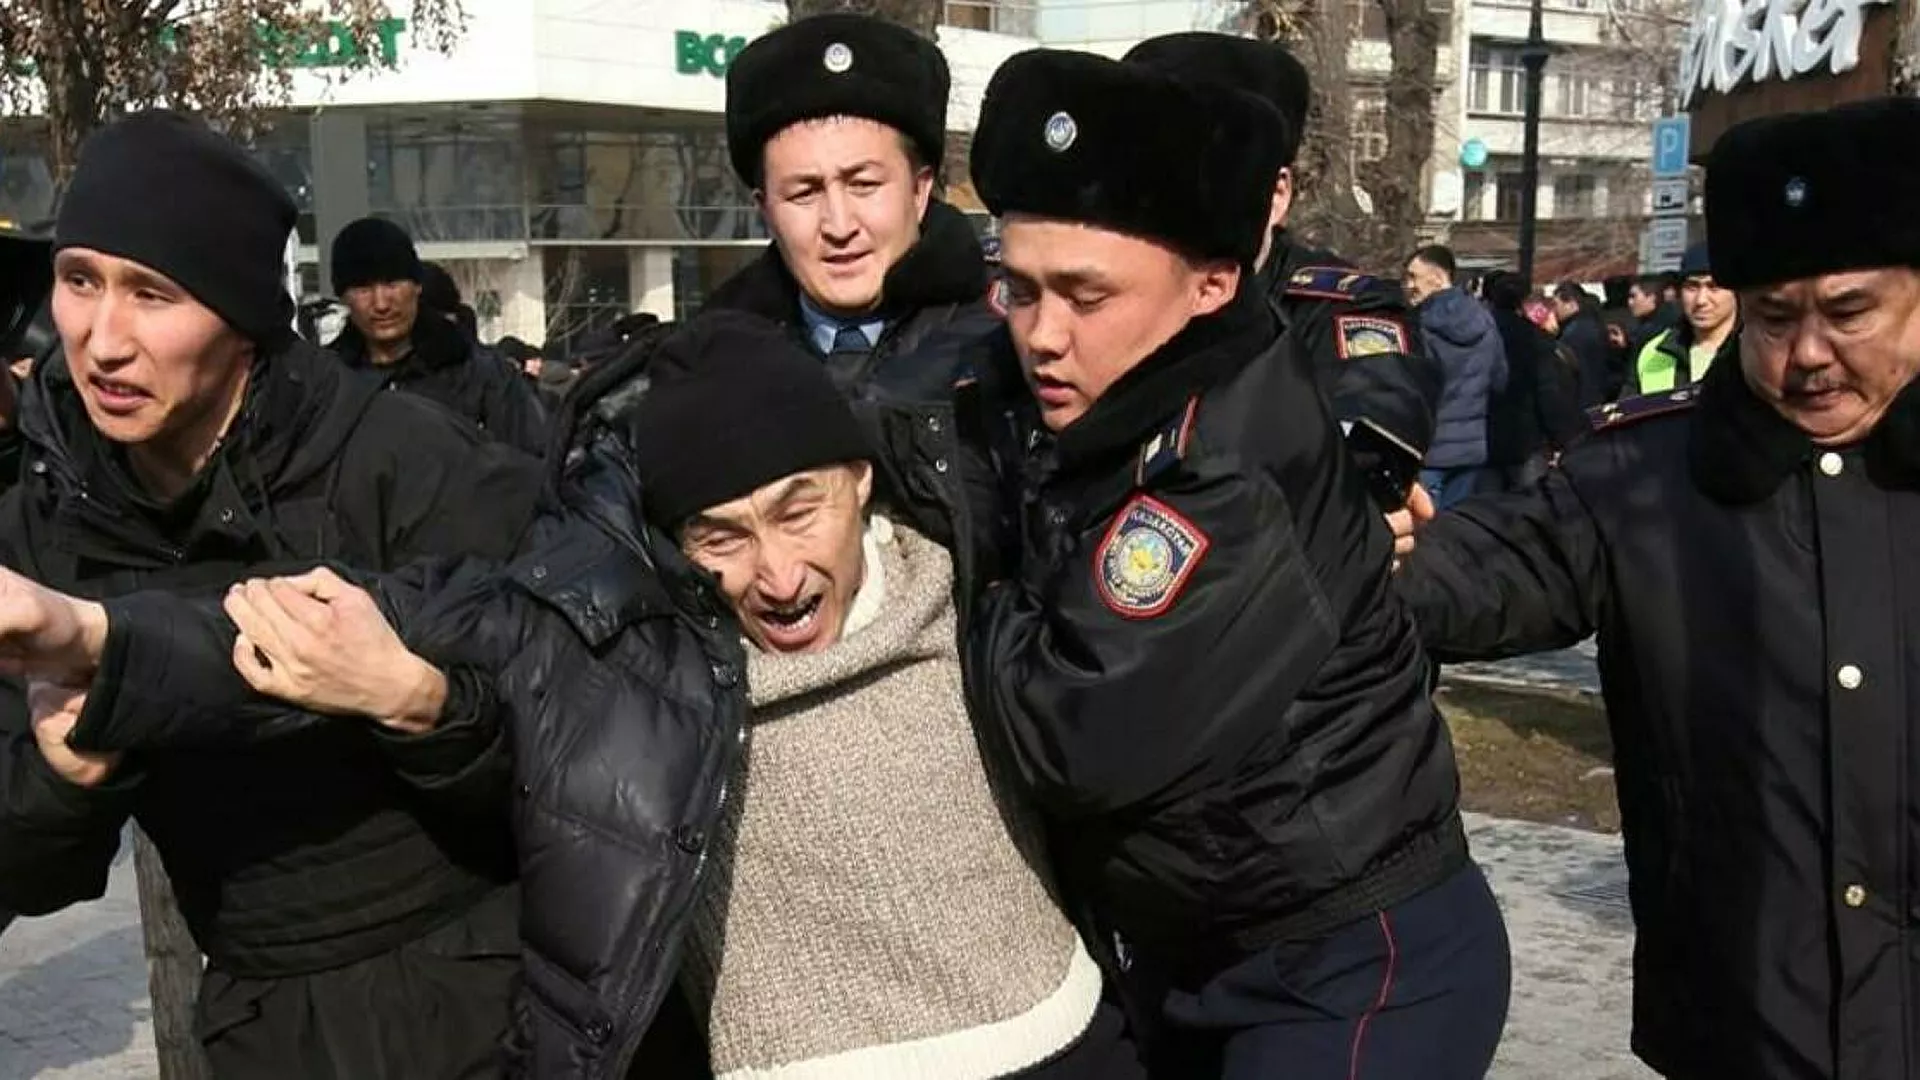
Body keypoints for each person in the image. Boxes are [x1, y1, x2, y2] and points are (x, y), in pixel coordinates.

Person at [0, 313, 1142, 1078]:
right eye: (721, 536)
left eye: (801, 511)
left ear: (859, 483)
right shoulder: (635, 655)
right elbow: (375, 608)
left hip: (1061, 1045)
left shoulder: (974, 583)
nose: (778, 574)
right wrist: (86, 632)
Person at [964, 49, 1509, 1078]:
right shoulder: (1109, 407)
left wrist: (973, 584)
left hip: (1344, 972)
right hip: (1191, 952)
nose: (1043, 336)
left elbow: (1072, 733)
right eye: (1019, 290)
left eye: (1086, 295)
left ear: (1214, 282)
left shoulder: (1228, 462)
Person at [0, 109, 545, 1077]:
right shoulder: (41, 529)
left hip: (487, 996)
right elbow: (28, 875)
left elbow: (574, 754)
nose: (102, 340)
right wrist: (62, 784)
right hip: (255, 1022)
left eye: (153, 294)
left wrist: (422, 705)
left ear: (243, 318)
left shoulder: (402, 459)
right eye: (79, 280)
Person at [1391, 97, 1920, 1080]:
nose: (1808, 353)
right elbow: (1482, 572)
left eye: (1849, 313)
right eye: (1775, 318)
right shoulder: (1641, 479)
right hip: (1743, 1026)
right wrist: (1364, 549)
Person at [1123, 32, 1440, 511]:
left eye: (1209, 179)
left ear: (1276, 195)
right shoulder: (1095, 293)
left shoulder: (1338, 309)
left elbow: (1368, 439)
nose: (1175, 206)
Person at [704, 13, 997, 402]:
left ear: (919, 190)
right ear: (765, 209)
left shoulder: (1008, 348)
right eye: (804, 193)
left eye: (864, 185)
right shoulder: (707, 366)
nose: (839, 227)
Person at [327, 217, 549, 454]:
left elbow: (529, 464)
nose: (381, 304)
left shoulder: (483, 376)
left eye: (392, 284)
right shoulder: (328, 384)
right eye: (363, 289)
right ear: (343, 297)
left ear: (417, 286)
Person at [1405, 244, 1508, 508]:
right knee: (1457, 523)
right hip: (1472, 448)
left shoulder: (1418, 323)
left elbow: (1412, 385)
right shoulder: (1485, 319)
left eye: (1413, 276)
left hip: (1430, 448)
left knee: (1425, 524)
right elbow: (1499, 379)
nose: (1409, 285)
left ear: (1437, 277)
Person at [1482, 272, 1585, 491]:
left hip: (1483, 436)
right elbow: (1548, 391)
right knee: (1529, 501)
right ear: (1523, 302)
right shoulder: (1535, 339)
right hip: (1525, 437)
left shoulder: (1477, 335)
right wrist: (1561, 438)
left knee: (1483, 504)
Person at [1622, 242, 1736, 396]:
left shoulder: (1755, 349)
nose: (1701, 300)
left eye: (1713, 287)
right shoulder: (1654, 351)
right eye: (1692, 287)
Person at [1551, 281, 1619, 406]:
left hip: (1583, 400)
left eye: (1556, 304)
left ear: (1571, 303)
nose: (1554, 310)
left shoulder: (1572, 334)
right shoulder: (1595, 324)